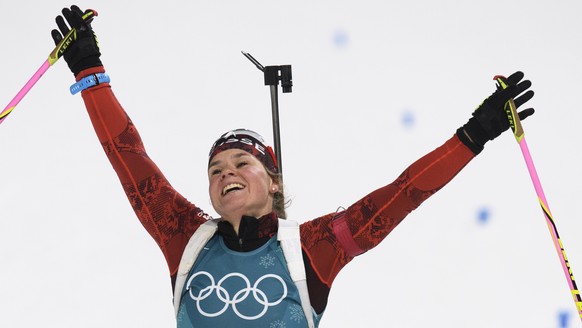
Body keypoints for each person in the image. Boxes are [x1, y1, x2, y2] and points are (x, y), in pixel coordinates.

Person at [51, 5, 535, 328]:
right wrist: (90, 72)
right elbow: (130, 159)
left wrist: (473, 136)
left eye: (241, 162)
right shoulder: (183, 236)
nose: (226, 175)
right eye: (216, 170)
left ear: (273, 179)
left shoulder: (315, 248)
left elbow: (403, 192)